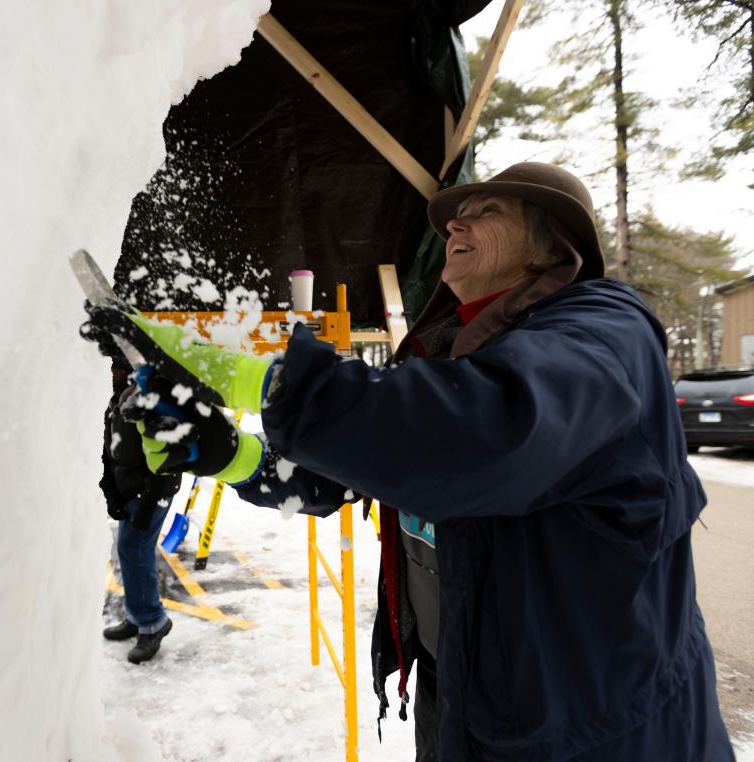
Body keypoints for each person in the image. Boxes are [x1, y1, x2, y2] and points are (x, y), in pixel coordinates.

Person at [84, 163, 734, 760]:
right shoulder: (458, 353)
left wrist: (251, 377)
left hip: (603, 732)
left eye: (485, 210)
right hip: (472, 700)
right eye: (459, 211)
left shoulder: (605, 332)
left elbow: (477, 434)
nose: (455, 221)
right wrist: (229, 453)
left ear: (549, 244)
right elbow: (348, 476)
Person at [81, 317, 180, 664]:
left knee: (133, 549)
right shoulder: (118, 399)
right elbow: (113, 449)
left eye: (116, 367)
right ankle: (138, 615)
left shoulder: (150, 400)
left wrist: (151, 495)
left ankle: (152, 623)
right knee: (129, 551)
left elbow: (169, 455)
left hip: (152, 490)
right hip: (131, 489)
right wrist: (111, 489)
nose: (111, 373)